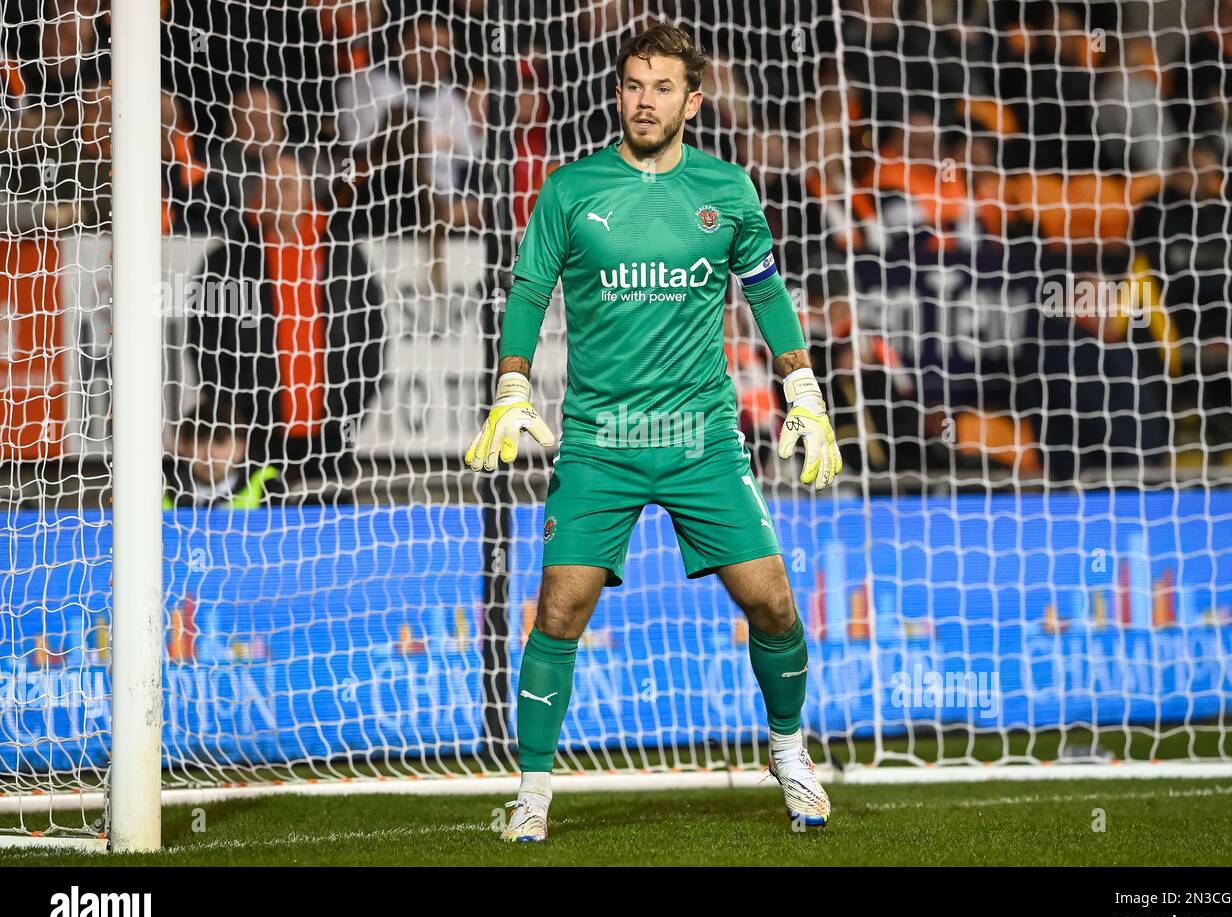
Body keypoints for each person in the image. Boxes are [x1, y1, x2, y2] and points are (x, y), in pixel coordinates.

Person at [465, 21, 841, 843]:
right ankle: (531, 794)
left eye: (662, 87)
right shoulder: (570, 189)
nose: (645, 99)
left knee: (774, 603)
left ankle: (790, 754)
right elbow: (529, 291)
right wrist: (513, 383)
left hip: (702, 437)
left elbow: (767, 295)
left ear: (692, 100)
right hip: (600, 440)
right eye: (634, 84)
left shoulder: (729, 189)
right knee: (558, 613)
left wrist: (802, 389)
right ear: (618, 92)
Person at [188, 154, 385, 500]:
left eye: (290, 184)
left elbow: (372, 333)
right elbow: (204, 341)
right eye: (273, 184)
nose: (282, 193)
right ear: (258, 192)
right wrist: (230, 417)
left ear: (308, 190)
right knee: (257, 531)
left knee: (334, 528)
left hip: (331, 432)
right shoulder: (227, 258)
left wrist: (355, 407)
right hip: (254, 432)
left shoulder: (342, 251)